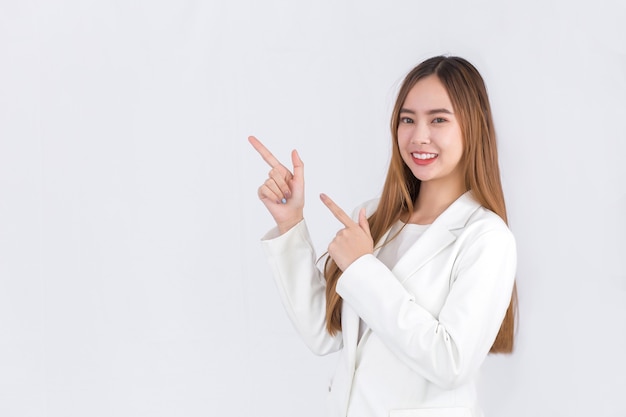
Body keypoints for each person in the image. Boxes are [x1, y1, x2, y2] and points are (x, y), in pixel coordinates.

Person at [249, 55, 517, 417]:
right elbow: (323, 332)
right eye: (407, 119)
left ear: (474, 126)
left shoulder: (486, 237)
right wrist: (290, 222)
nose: (419, 136)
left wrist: (362, 267)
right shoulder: (376, 217)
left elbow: (452, 362)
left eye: (438, 119)